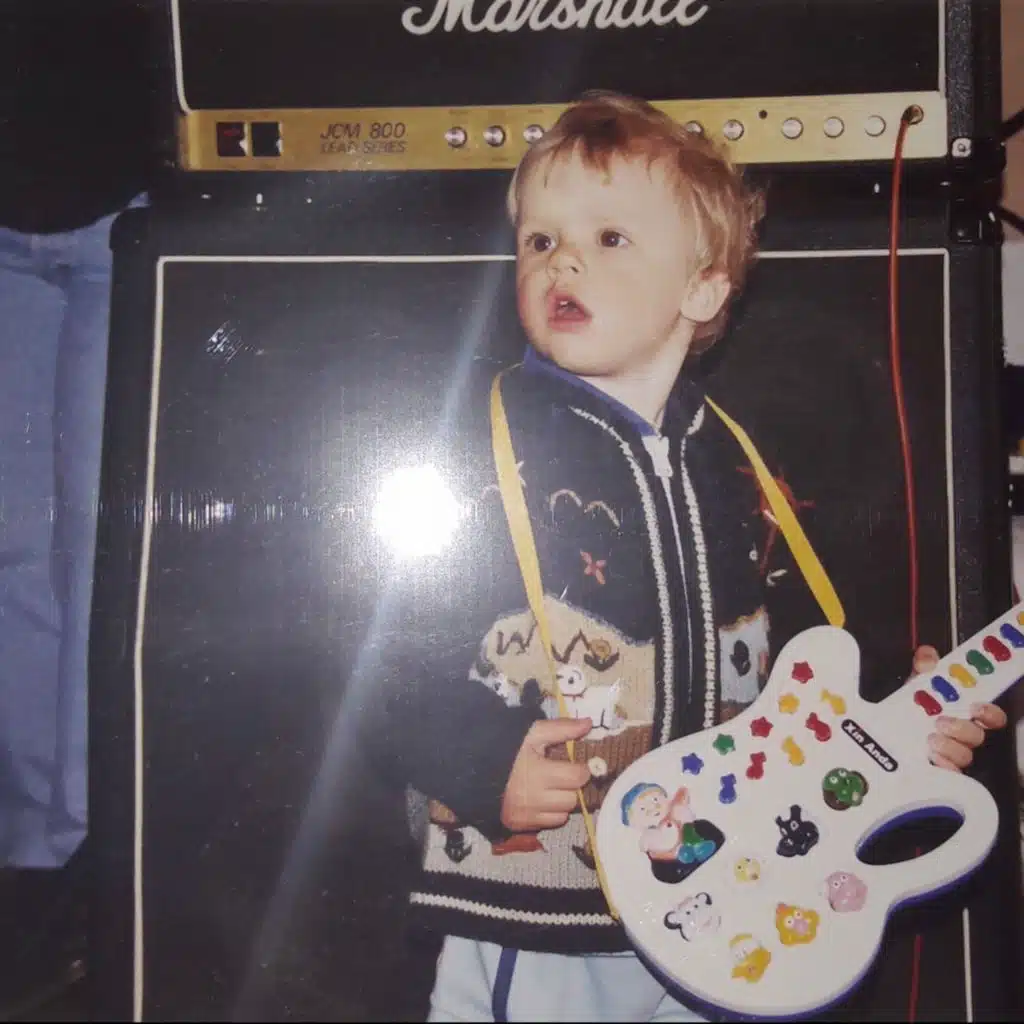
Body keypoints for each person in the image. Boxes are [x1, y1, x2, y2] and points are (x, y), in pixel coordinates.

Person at [364, 91, 1007, 1022]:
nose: (562, 260)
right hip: (550, 905)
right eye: (539, 240)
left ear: (702, 291)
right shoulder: (476, 445)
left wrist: (900, 723)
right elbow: (378, 654)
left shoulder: (733, 460)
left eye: (609, 238)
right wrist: (481, 761)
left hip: (726, 900)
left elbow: (795, 662)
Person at [0, 0, 159, 1011]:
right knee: (15, 548)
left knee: (94, 558)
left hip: (119, 216)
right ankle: (31, 857)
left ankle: (91, 855)